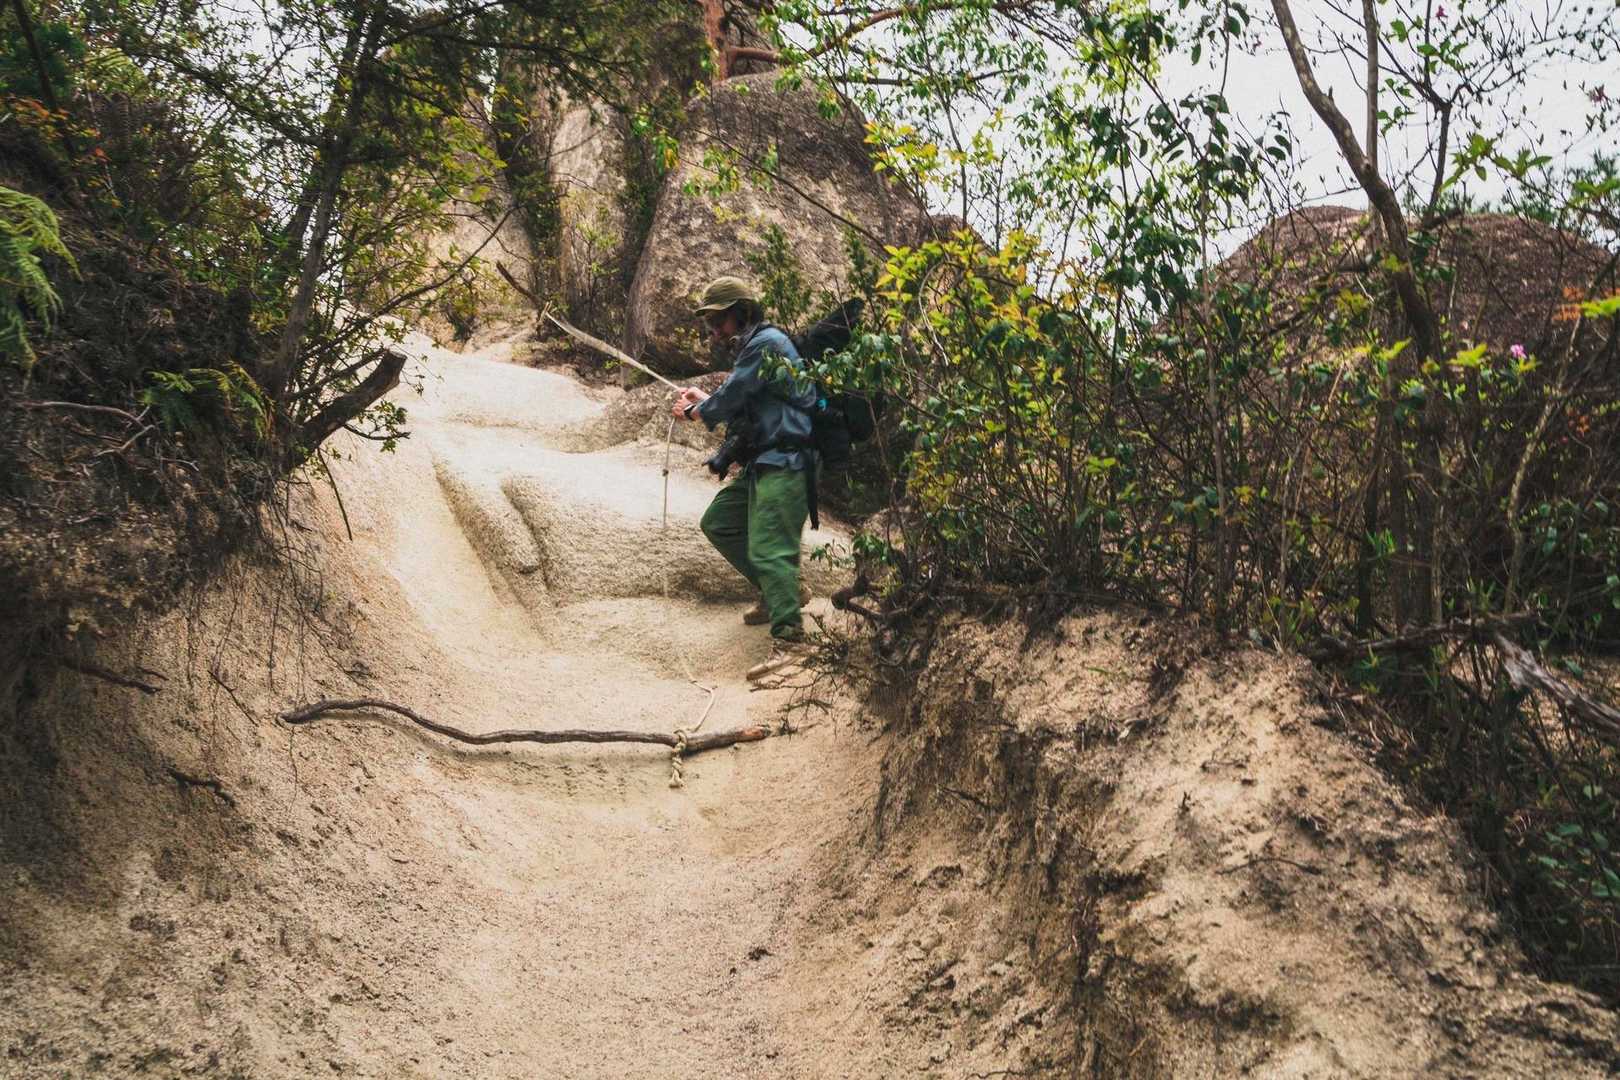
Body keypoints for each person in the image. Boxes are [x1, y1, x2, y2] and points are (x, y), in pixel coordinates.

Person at [672, 276, 817, 682]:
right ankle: (781, 593)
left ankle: (791, 641)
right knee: (720, 521)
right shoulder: (755, 347)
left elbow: (735, 392)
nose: (714, 330)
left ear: (742, 313)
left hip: (788, 460)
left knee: (770, 548)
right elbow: (746, 402)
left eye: (719, 321)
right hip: (765, 459)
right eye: (710, 324)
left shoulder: (766, 343)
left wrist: (697, 411)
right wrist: (706, 402)